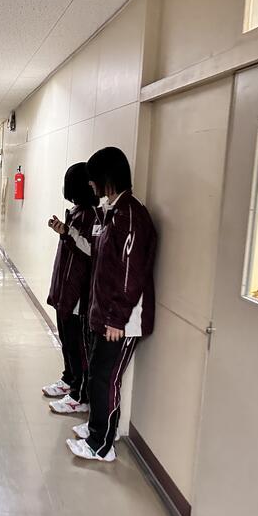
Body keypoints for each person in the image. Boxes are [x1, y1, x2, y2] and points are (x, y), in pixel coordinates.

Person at [66, 146, 156, 463]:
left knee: (106, 378)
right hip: (107, 314)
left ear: (106, 178)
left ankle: (101, 445)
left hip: (122, 319)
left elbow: (130, 273)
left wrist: (116, 318)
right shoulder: (114, 213)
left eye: (93, 179)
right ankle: (99, 428)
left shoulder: (130, 216)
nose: (90, 185)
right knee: (97, 375)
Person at [43, 163, 101, 417]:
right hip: (64, 289)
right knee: (66, 341)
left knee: (78, 346)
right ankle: (69, 379)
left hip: (78, 293)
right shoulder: (76, 212)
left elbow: (91, 250)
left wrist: (68, 232)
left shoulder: (92, 215)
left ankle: (80, 394)